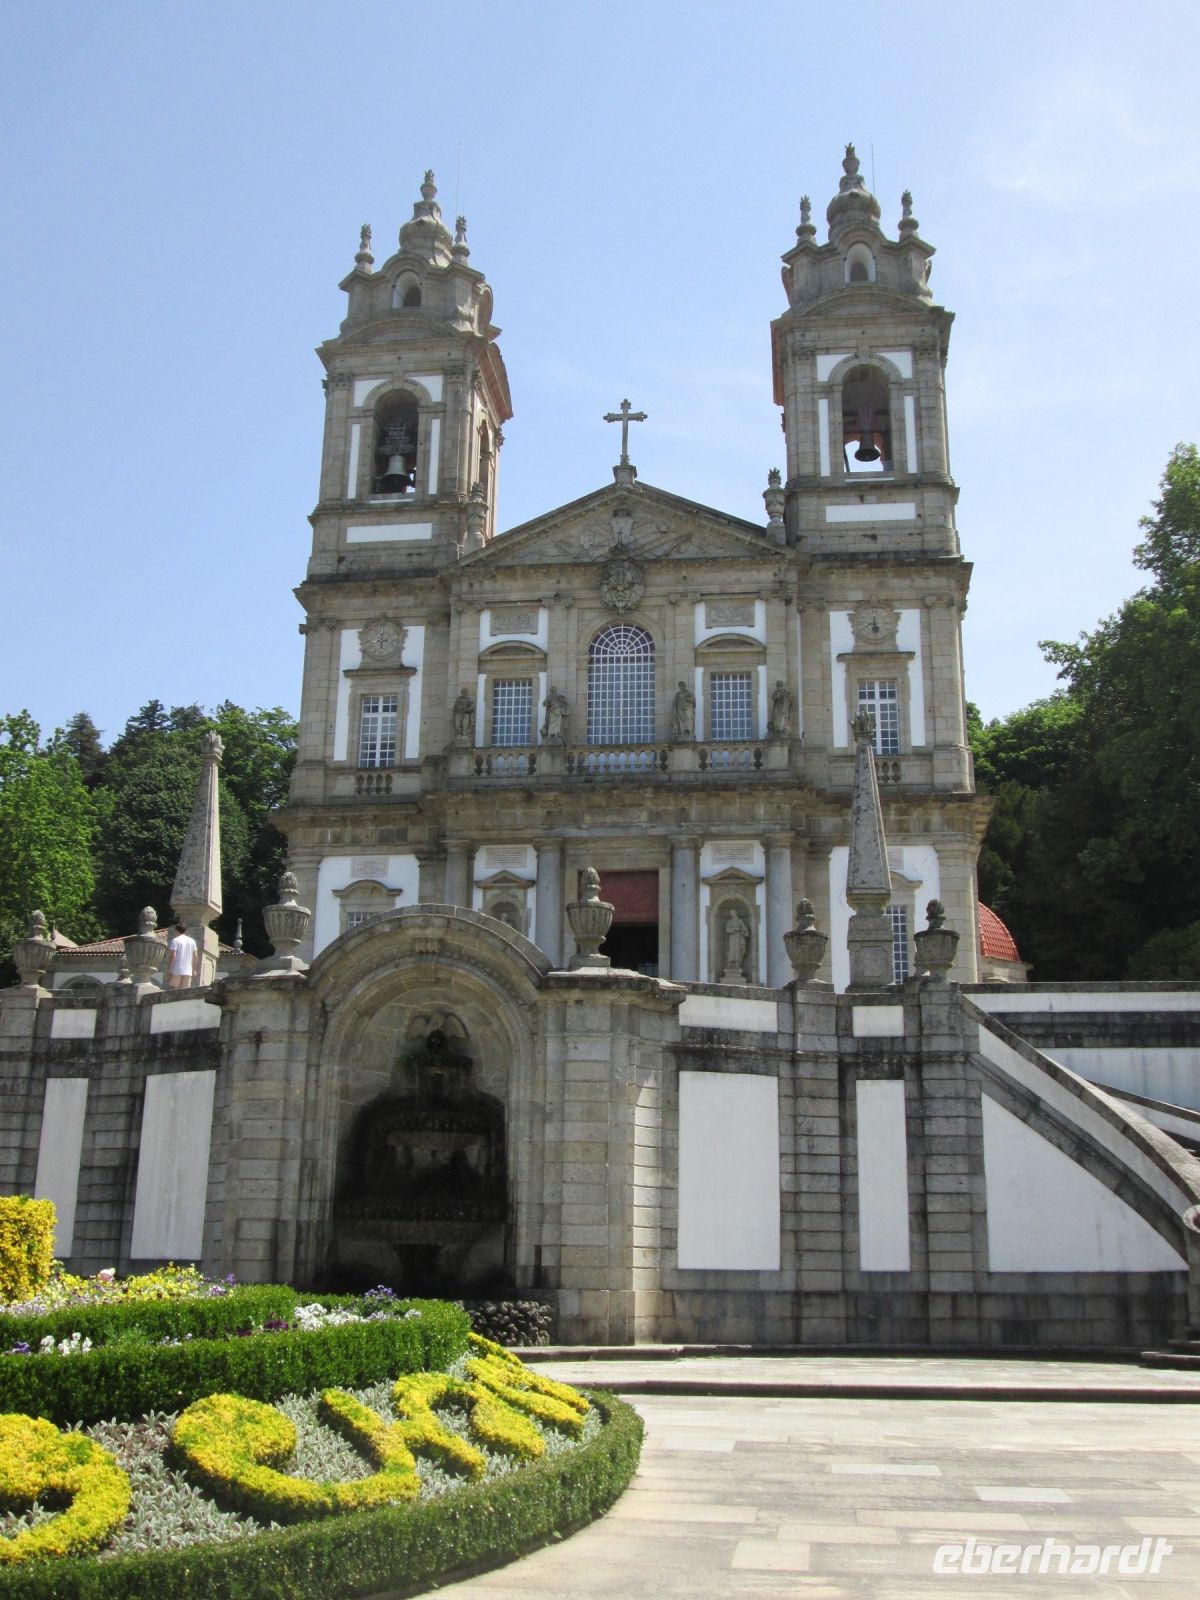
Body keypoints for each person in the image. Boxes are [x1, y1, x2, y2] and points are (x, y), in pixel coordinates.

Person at [166, 922, 198, 989]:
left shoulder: (175, 940)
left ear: (176, 930)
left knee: (174, 990)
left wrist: (170, 969)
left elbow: (173, 955)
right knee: (184, 992)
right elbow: (195, 956)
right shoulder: (192, 941)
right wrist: (194, 969)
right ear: (185, 931)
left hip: (176, 969)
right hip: (188, 970)